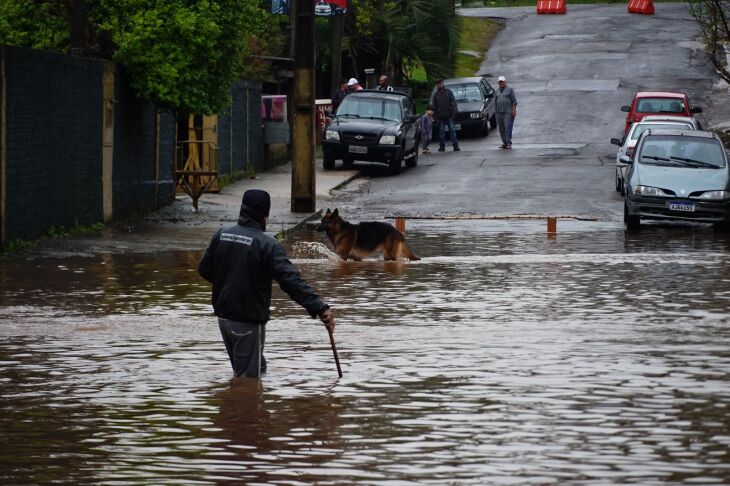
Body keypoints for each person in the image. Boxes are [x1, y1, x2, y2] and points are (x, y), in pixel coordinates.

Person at [198, 189, 336, 378]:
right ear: (266, 214)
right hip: (247, 321)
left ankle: (236, 404)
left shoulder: (221, 235)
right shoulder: (267, 245)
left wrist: (231, 283)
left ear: (242, 209)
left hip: (224, 318)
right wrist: (320, 307)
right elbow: (292, 282)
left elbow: (204, 269)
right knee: (248, 382)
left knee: (255, 370)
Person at [431, 79, 460, 152]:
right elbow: (434, 107)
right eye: (438, 84)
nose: (440, 85)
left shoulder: (448, 92)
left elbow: (453, 103)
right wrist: (436, 117)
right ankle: (442, 146)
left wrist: (453, 113)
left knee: (452, 131)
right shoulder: (435, 95)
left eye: (441, 83)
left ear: (443, 83)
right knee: (441, 132)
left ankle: (455, 145)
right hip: (440, 117)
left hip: (449, 115)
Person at [495, 75, 517, 149]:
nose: (501, 83)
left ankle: (509, 142)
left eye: (502, 81)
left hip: (508, 112)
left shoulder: (510, 90)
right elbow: (495, 102)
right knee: (501, 128)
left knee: (507, 127)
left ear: (505, 82)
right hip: (499, 112)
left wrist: (513, 110)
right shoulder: (497, 91)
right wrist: (495, 112)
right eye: (500, 82)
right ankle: (504, 142)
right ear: (498, 83)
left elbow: (514, 101)